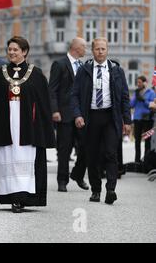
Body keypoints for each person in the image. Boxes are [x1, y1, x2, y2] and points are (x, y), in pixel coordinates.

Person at [0, 36, 55, 213]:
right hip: (4, 126)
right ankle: (9, 196)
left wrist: (45, 131)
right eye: (9, 50)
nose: (12, 53)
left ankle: (23, 197)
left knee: (25, 158)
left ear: (24, 52)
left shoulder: (36, 74)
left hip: (28, 127)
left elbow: (44, 105)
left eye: (15, 50)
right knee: (6, 157)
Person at [72, 37, 131, 205]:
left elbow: (125, 97)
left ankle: (111, 189)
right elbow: (74, 95)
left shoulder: (116, 70)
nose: (100, 52)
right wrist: (77, 114)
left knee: (111, 154)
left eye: (103, 49)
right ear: (92, 51)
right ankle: (96, 190)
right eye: (97, 49)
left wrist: (127, 120)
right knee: (92, 156)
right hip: (91, 117)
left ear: (107, 51)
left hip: (110, 117)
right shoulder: (84, 70)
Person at [48, 37, 89, 192]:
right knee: (64, 150)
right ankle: (62, 180)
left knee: (86, 147)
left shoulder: (84, 66)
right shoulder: (59, 64)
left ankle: (78, 174)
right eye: (84, 46)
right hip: (64, 115)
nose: (86, 49)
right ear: (76, 48)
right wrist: (55, 110)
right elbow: (52, 90)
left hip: (81, 115)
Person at [130, 75, 155, 163]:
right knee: (137, 140)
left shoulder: (151, 92)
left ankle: (146, 160)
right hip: (137, 119)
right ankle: (137, 160)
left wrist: (144, 100)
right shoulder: (136, 92)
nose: (138, 84)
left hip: (147, 119)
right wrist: (135, 96)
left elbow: (152, 105)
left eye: (140, 82)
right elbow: (131, 105)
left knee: (147, 140)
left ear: (145, 83)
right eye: (137, 82)